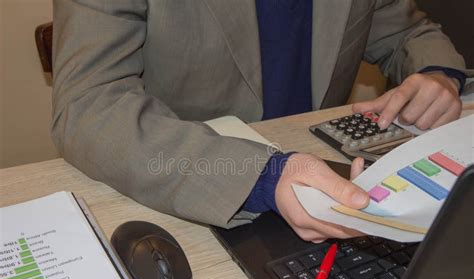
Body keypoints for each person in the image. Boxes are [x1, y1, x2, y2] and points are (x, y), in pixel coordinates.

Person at [52, 0, 471, 243]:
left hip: (329, 180)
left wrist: (438, 75)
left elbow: (409, 31)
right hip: (188, 189)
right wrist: (262, 176)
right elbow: (88, 106)